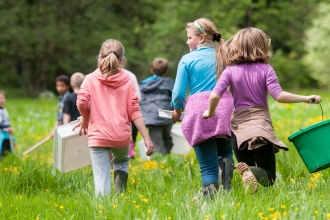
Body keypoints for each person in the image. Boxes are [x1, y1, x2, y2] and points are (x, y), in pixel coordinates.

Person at [203, 27, 322, 193]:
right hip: (260, 127)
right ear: (261, 47)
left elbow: (215, 95)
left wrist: (210, 112)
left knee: (247, 168)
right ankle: (251, 172)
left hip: (238, 128)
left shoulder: (229, 71)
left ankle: (244, 175)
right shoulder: (266, 69)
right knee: (268, 178)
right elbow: (279, 96)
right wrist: (305, 98)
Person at [73, 39, 154, 196]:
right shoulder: (128, 80)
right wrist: (146, 137)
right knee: (121, 162)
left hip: (98, 135)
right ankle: (120, 198)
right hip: (121, 135)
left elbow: (81, 102)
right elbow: (135, 111)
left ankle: (104, 210)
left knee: (101, 174)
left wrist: (85, 117)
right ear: (122, 60)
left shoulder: (90, 78)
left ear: (99, 57)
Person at [171, 18, 234, 199]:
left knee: (207, 165)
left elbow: (178, 93)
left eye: (189, 37)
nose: (187, 41)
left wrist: (176, 111)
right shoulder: (224, 55)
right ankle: (227, 193)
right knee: (225, 152)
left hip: (200, 111)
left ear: (200, 38)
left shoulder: (187, 59)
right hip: (225, 108)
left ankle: (210, 201)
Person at [140, 58, 174, 155]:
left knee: (157, 144)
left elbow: (138, 100)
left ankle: (161, 164)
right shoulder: (169, 82)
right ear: (166, 71)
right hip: (167, 115)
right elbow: (177, 98)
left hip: (152, 116)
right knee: (167, 138)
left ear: (152, 70)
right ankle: (167, 161)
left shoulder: (144, 84)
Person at [122, 59, 141, 158]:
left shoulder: (95, 76)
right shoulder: (130, 75)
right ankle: (130, 153)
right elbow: (138, 98)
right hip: (127, 115)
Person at [0, 90, 15, 156]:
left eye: (2, 98)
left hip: (6, 134)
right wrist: (8, 126)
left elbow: (6, 122)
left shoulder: (5, 110)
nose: (1, 101)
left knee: (8, 152)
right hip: (1, 135)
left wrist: (10, 128)